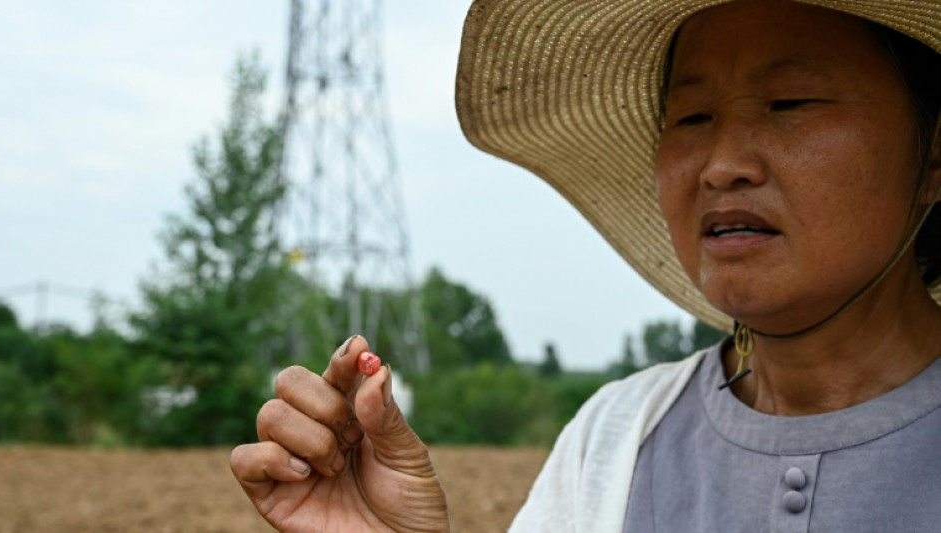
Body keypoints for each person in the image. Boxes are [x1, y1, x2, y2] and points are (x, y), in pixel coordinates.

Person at [229, 0, 941, 531]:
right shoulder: (615, 439)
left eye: (791, 102)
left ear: (933, 153)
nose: (723, 165)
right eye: (690, 118)